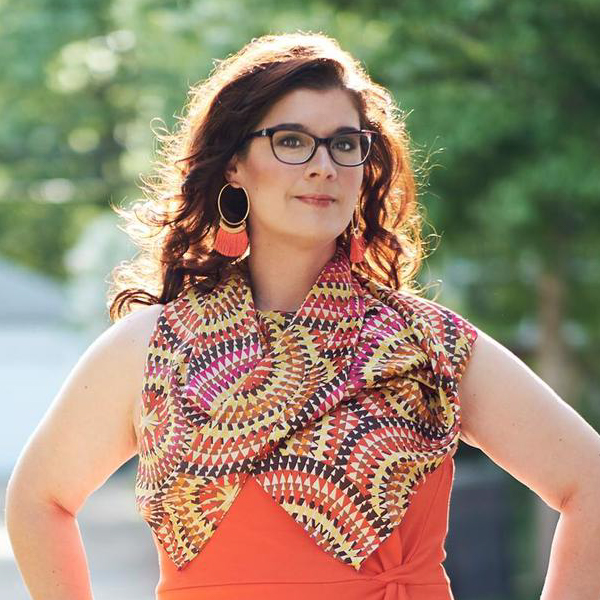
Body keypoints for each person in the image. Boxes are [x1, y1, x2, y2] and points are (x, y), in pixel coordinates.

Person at [5, 31, 600, 600]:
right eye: (291, 141)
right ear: (234, 163)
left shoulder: (429, 343)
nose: (324, 166)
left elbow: (589, 482)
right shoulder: (153, 346)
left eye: (345, 143)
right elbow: (38, 501)